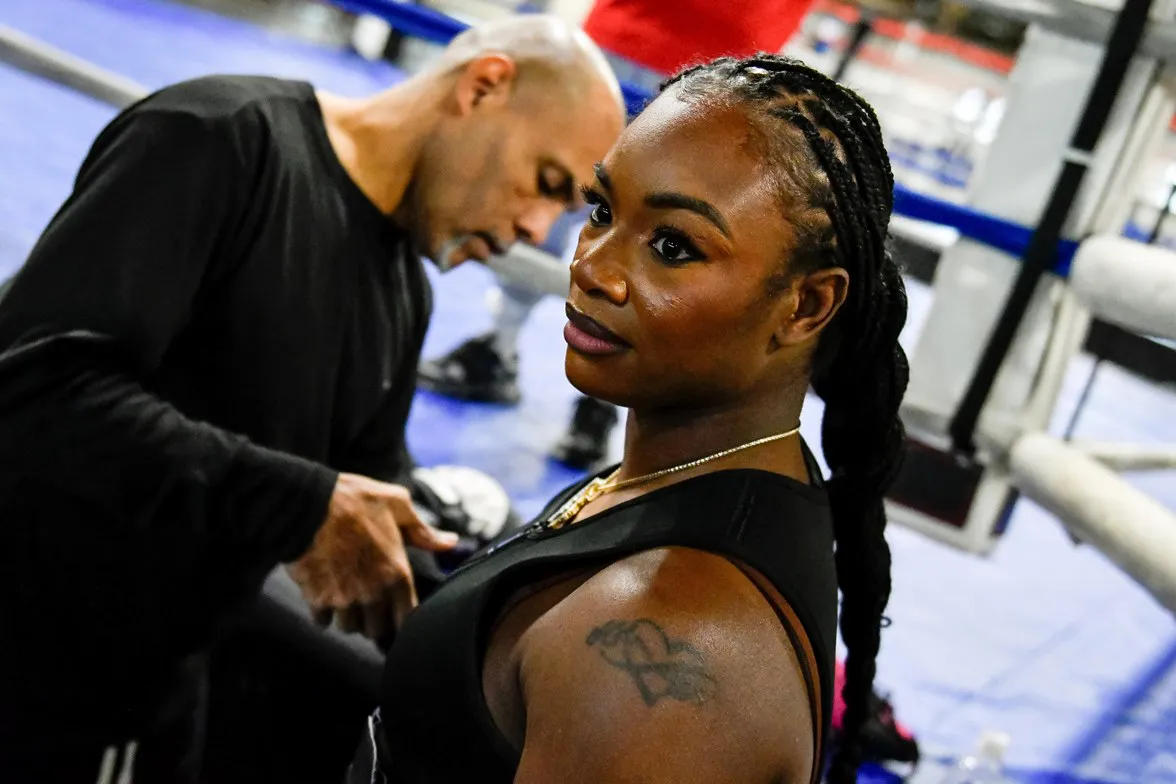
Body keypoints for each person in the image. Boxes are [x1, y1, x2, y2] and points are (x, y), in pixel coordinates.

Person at [0, 15, 623, 783]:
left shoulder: (402, 291)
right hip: (32, 665)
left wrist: (532, 655)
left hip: (158, 679)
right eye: (546, 183)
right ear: (482, 86)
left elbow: (379, 531)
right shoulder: (220, 139)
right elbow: (30, 390)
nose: (531, 229)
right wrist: (301, 504)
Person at [355, 53, 909, 783]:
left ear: (803, 306)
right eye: (603, 211)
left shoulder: (665, 656)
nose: (591, 267)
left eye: (673, 246)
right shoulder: (713, 472)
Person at [418, 0, 822, 471]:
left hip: (723, 83)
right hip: (628, 45)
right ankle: (499, 347)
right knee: (552, 199)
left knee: (668, 244)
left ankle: (607, 399)